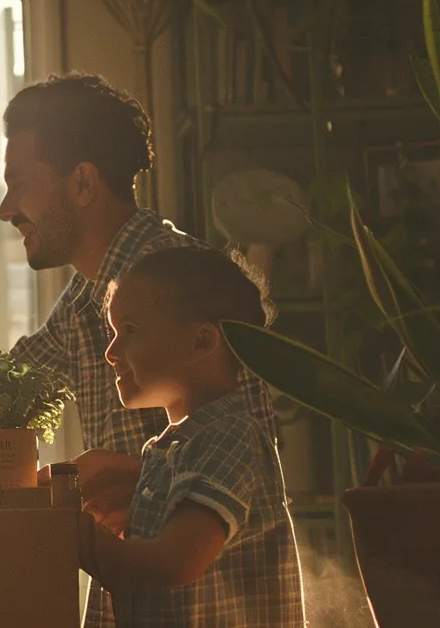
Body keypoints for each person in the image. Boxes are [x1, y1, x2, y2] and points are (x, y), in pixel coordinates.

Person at [0, 72, 284, 625]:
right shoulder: (89, 295)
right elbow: (6, 391)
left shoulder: (181, 285)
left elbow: (247, 448)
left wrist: (136, 486)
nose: (7, 209)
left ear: (82, 183)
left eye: (18, 182)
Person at [81, 247, 304, 625]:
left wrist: (78, 537)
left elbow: (174, 563)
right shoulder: (171, 451)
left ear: (202, 342)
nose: (110, 352)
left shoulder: (229, 437)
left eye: (130, 331)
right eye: (113, 332)